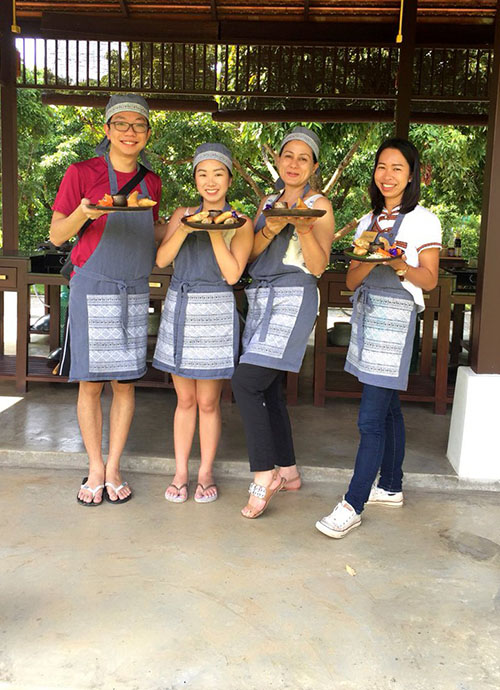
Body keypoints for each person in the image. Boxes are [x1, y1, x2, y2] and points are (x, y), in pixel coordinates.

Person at [315, 137, 442, 539]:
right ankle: (390, 485)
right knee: (387, 409)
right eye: (382, 167)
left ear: (412, 176)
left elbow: (431, 280)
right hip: (368, 316)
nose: (388, 176)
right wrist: (369, 260)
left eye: (397, 169)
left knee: (370, 417)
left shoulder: (425, 220)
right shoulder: (369, 221)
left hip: (397, 319)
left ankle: (353, 503)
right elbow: (351, 278)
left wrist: (399, 263)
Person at [50, 94, 163, 506]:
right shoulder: (81, 173)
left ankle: (114, 467)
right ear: (107, 130)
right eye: (122, 124)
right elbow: (59, 234)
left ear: (148, 133)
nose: (130, 132)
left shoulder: (151, 182)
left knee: (125, 383)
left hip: (133, 287)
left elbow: (150, 231)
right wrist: (85, 213)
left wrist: (190, 225)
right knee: (91, 383)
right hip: (92, 284)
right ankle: (95, 467)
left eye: (139, 125)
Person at [231, 126, 335, 519]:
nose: (294, 163)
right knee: (270, 389)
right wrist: (270, 227)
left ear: (314, 166)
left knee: (246, 380)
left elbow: (320, 265)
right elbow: (252, 258)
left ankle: (264, 473)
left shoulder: (319, 204)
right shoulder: (267, 203)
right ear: (278, 160)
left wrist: (304, 228)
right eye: (288, 155)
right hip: (261, 297)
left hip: (295, 296)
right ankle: (288, 471)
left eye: (303, 158)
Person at [153, 143, 254, 504]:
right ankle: (181, 472)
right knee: (184, 399)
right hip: (181, 305)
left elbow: (232, 275)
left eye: (218, 174)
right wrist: (184, 227)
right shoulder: (183, 213)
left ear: (229, 178)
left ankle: (206, 472)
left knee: (209, 402)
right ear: (195, 179)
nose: (211, 182)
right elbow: (163, 259)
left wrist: (214, 230)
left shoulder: (241, 222)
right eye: (203, 174)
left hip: (216, 309)